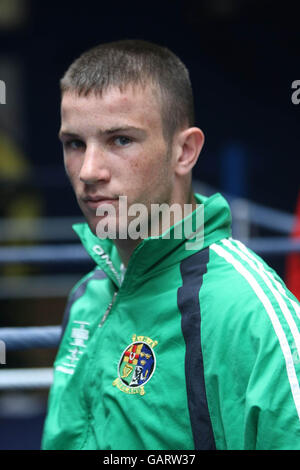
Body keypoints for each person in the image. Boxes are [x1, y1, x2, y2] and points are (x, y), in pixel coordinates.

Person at [42, 39, 300, 450]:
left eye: (120, 140)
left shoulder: (250, 314)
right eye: (75, 143)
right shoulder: (88, 295)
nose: (89, 170)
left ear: (185, 151)